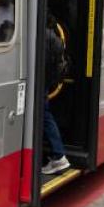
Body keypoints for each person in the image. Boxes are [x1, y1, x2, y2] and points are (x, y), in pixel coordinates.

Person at [42, 15, 70, 176]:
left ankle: (59, 156)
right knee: (45, 117)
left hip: (38, 85)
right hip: (45, 85)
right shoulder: (56, 39)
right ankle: (58, 156)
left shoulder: (40, 37)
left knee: (45, 117)